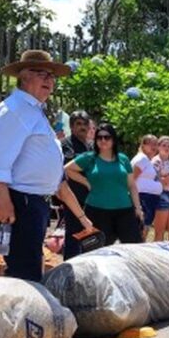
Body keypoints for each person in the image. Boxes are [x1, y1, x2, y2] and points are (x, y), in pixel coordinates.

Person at [0, 49, 71, 281]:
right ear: (24, 76)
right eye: (41, 74)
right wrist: (3, 200)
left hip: (33, 201)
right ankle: (21, 317)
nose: (49, 80)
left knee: (29, 266)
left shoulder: (31, 110)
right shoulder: (14, 110)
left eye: (51, 76)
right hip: (19, 201)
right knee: (24, 272)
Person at [64, 123, 143, 246]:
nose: (103, 140)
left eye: (107, 137)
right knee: (98, 251)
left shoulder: (123, 159)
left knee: (134, 248)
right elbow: (67, 169)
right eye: (99, 137)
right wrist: (86, 182)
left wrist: (138, 208)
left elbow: (132, 185)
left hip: (124, 210)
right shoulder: (89, 158)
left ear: (113, 139)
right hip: (97, 211)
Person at [60, 111, 93, 259]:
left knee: (91, 235)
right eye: (78, 124)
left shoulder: (92, 146)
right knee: (74, 235)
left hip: (92, 198)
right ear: (72, 126)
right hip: (74, 197)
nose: (82, 127)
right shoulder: (66, 144)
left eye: (85, 124)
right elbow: (67, 167)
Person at [131, 134, 163, 238]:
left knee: (144, 227)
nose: (153, 147)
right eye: (150, 144)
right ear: (143, 145)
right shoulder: (142, 159)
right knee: (142, 227)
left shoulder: (147, 160)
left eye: (155, 144)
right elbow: (132, 179)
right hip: (143, 198)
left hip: (148, 198)